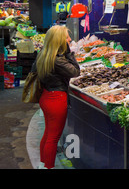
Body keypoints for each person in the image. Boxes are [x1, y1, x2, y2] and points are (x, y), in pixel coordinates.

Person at [31, 25, 80, 169]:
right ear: (59, 40)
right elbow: (75, 71)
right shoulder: (58, 60)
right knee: (53, 138)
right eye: (66, 37)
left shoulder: (44, 55)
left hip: (46, 97)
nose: (70, 39)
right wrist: (70, 52)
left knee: (47, 134)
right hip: (56, 100)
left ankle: (42, 164)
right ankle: (49, 167)